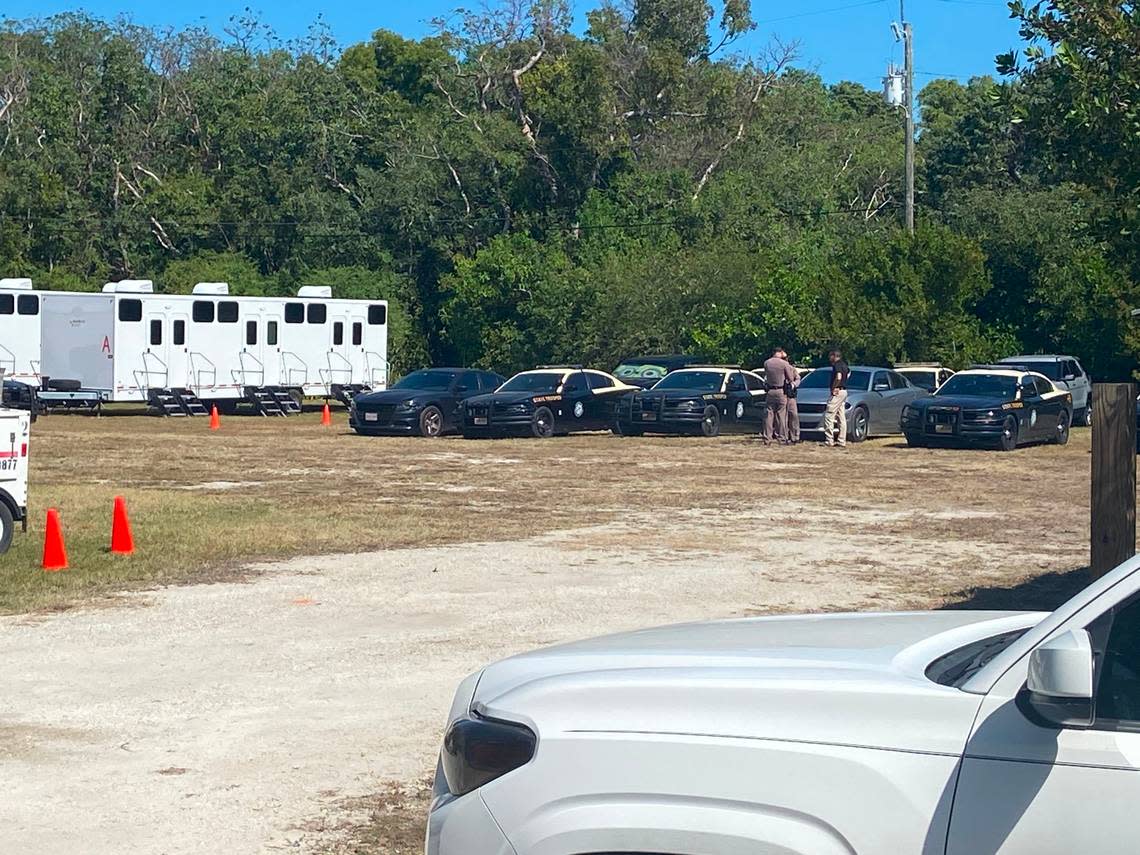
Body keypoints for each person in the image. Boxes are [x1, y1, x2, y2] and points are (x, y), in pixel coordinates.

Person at [762, 347, 795, 444]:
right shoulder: (784, 364)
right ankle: (781, 437)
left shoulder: (767, 363)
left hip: (770, 391)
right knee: (781, 415)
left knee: (769, 415)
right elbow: (790, 378)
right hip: (780, 391)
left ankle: (767, 438)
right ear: (780, 352)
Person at [822, 348, 850, 448]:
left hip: (837, 392)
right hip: (844, 391)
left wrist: (835, 387)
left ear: (834, 356)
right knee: (841, 417)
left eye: (830, 356)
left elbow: (838, 377)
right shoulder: (845, 365)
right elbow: (848, 374)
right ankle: (842, 440)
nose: (830, 359)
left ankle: (829, 440)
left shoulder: (837, 365)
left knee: (829, 415)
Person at [785, 360, 801, 444]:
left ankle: (795, 436)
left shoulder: (792, 369)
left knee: (794, 416)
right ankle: (785, 436)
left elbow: (798, 379)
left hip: (790, 395)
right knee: (783, 417)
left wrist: (793, 384)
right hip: (781, 395)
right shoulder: (778, 368)